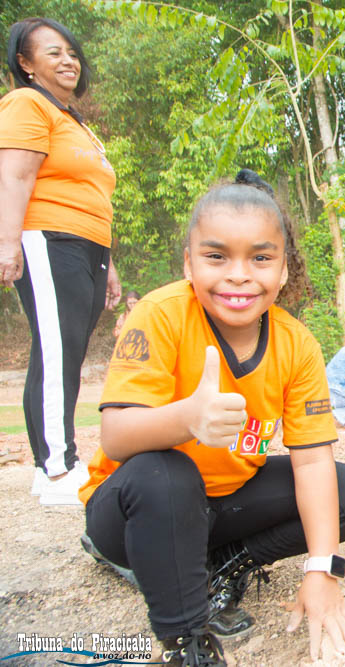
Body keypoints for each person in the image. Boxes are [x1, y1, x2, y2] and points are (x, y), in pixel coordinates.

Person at [77, 173, 345, 666]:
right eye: (217, 257)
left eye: (261, 258)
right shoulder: (160, 315)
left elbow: (310, 464)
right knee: (169, 472)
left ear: (283, 271)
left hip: (223, 504)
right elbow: (115, 438)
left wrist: (322, 570)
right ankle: (187, 641)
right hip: (136, 508)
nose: (239, 275)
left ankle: (223, 565)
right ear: (189, 264)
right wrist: (186, 419)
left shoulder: (296, 343)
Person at [1, 17, 122, 506]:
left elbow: (93, 194)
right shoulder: (25, 104)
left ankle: (56, 463)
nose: (68, 60)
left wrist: (107, 263)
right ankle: (55, 470)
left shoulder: (74, 121)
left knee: (66, 351)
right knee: (56, 352)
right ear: (26, 64)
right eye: (52, 53)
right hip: (47, 240)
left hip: (87, 246)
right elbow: (14, 178)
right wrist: (8, 244)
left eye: (71, 52)